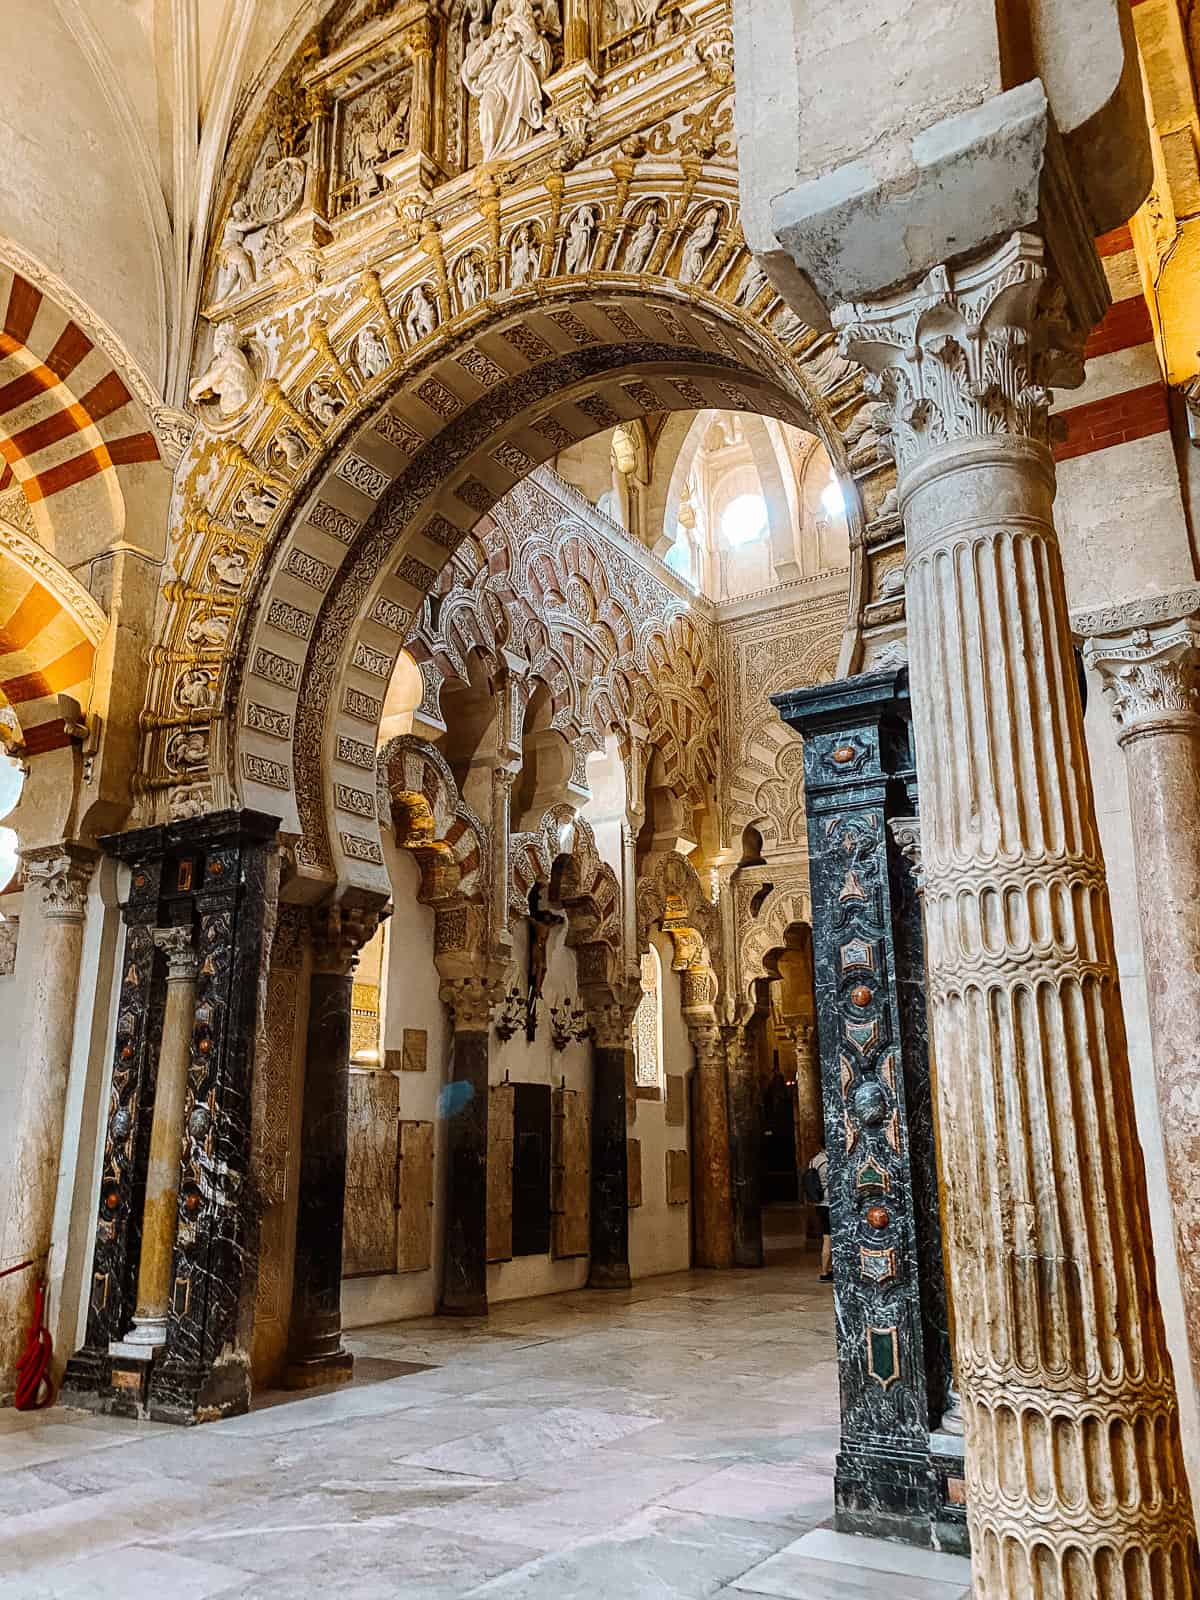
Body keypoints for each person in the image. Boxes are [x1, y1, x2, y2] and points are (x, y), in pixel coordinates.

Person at [804, 1141, 832, 1281]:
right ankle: (824, 1271)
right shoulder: (829, 1161)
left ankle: (829, 1269)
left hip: (819, 1203)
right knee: (828, 1239)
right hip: (829, 1202)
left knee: (827, 1237)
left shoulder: (814, 1160)